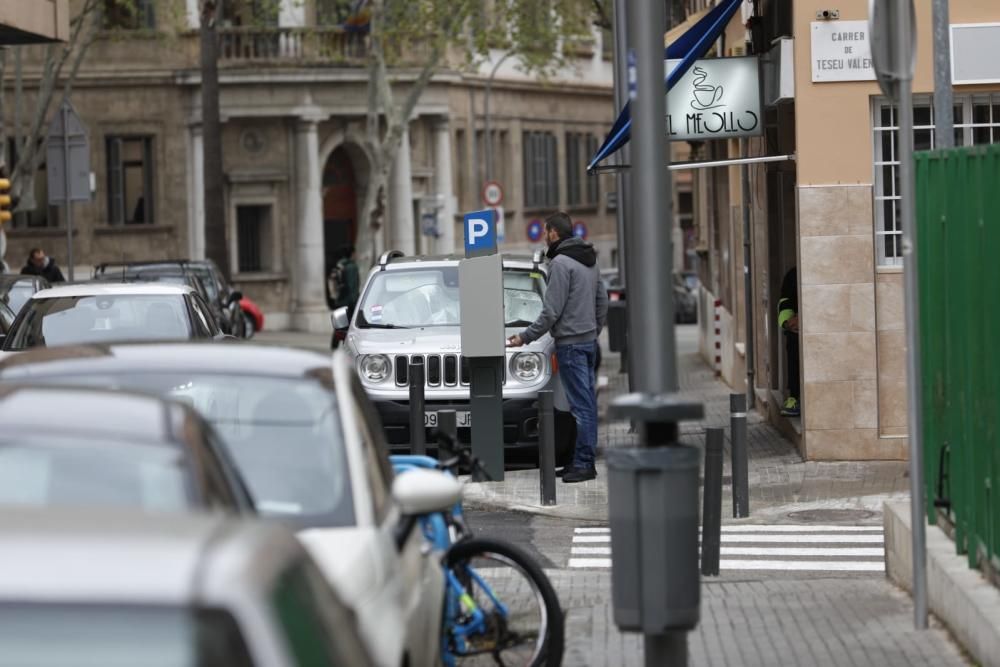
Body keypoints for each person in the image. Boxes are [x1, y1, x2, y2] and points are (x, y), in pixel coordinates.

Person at [507, 212, 608, 483]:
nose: (543, 236)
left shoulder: (561, 263)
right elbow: (603, 300)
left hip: (572, 346)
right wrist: (593, 331)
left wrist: (524, 337)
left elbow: (551, 312)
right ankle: (579, 460)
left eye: (545, 231)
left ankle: (584, 464)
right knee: (586, 404)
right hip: (587, 342)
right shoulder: (589, 259)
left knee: (581, 407)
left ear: (554, 233)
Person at [777, 267, 800, 417]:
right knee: (793, 343)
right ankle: (794, 398)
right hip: (796, 332)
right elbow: (784, 304)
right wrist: (787, 323)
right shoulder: (793, 275)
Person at [329, 245, 360, 349]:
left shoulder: (340, 264)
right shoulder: (352, 267)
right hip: (349, 302)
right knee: (354, 327)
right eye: (355, 253)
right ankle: (351, 348)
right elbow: (352, 287)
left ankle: (334, 347)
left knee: (339, 326)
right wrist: (356, 303)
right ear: (352, 254)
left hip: (339, 301)